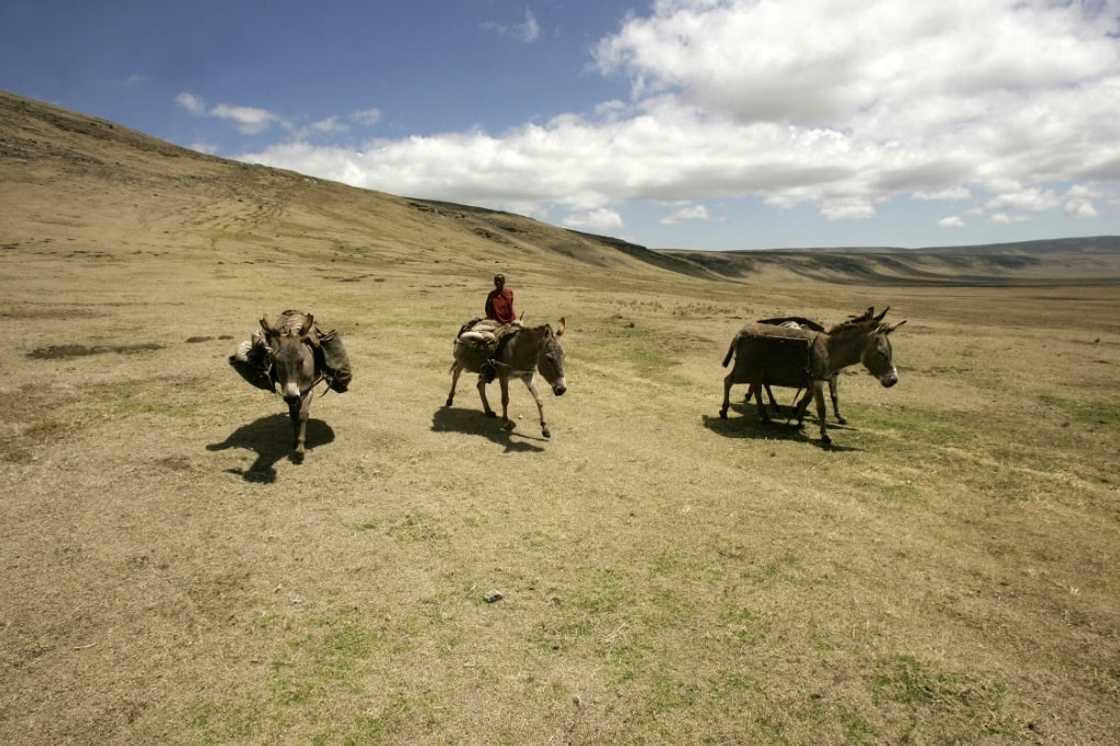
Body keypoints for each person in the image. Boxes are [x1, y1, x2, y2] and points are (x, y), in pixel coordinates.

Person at [479, 274, 516, 382]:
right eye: (496, 281)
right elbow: (487, 308)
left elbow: (510, 308)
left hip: (510, 321)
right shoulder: (492, 295)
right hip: (495, 322)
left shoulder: (509, 292)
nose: (498, 283)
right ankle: (490, 366)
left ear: (504, 282)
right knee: (493, 341)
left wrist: (511, 321)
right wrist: (492, 319)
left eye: (500, 281)